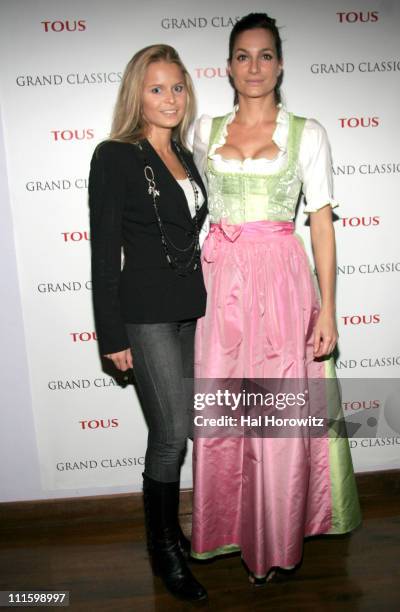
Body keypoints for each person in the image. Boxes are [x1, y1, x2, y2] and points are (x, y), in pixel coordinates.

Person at [191, 13, 362, 584]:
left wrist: (329, 309)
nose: (254, 66)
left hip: (284, 287)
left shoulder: (306, 133)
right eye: (243, 55)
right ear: (229, 66)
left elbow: (321, 224)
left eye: (265, 55)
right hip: (220, 287)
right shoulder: (204, 131)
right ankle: (229, 530)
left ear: (281, 64)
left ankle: (276, 539)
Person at [88, 44, 208, 601]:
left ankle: (171, 535)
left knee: (181, 430)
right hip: (145, 313)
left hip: (189, 309)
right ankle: (162, 550)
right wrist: (111, 336)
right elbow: (103, 253)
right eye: (157, 88)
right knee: (169, 435)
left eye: (177, 87)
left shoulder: (186, 153)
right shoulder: (114, 156)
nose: (169, 98)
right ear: (138, 93)